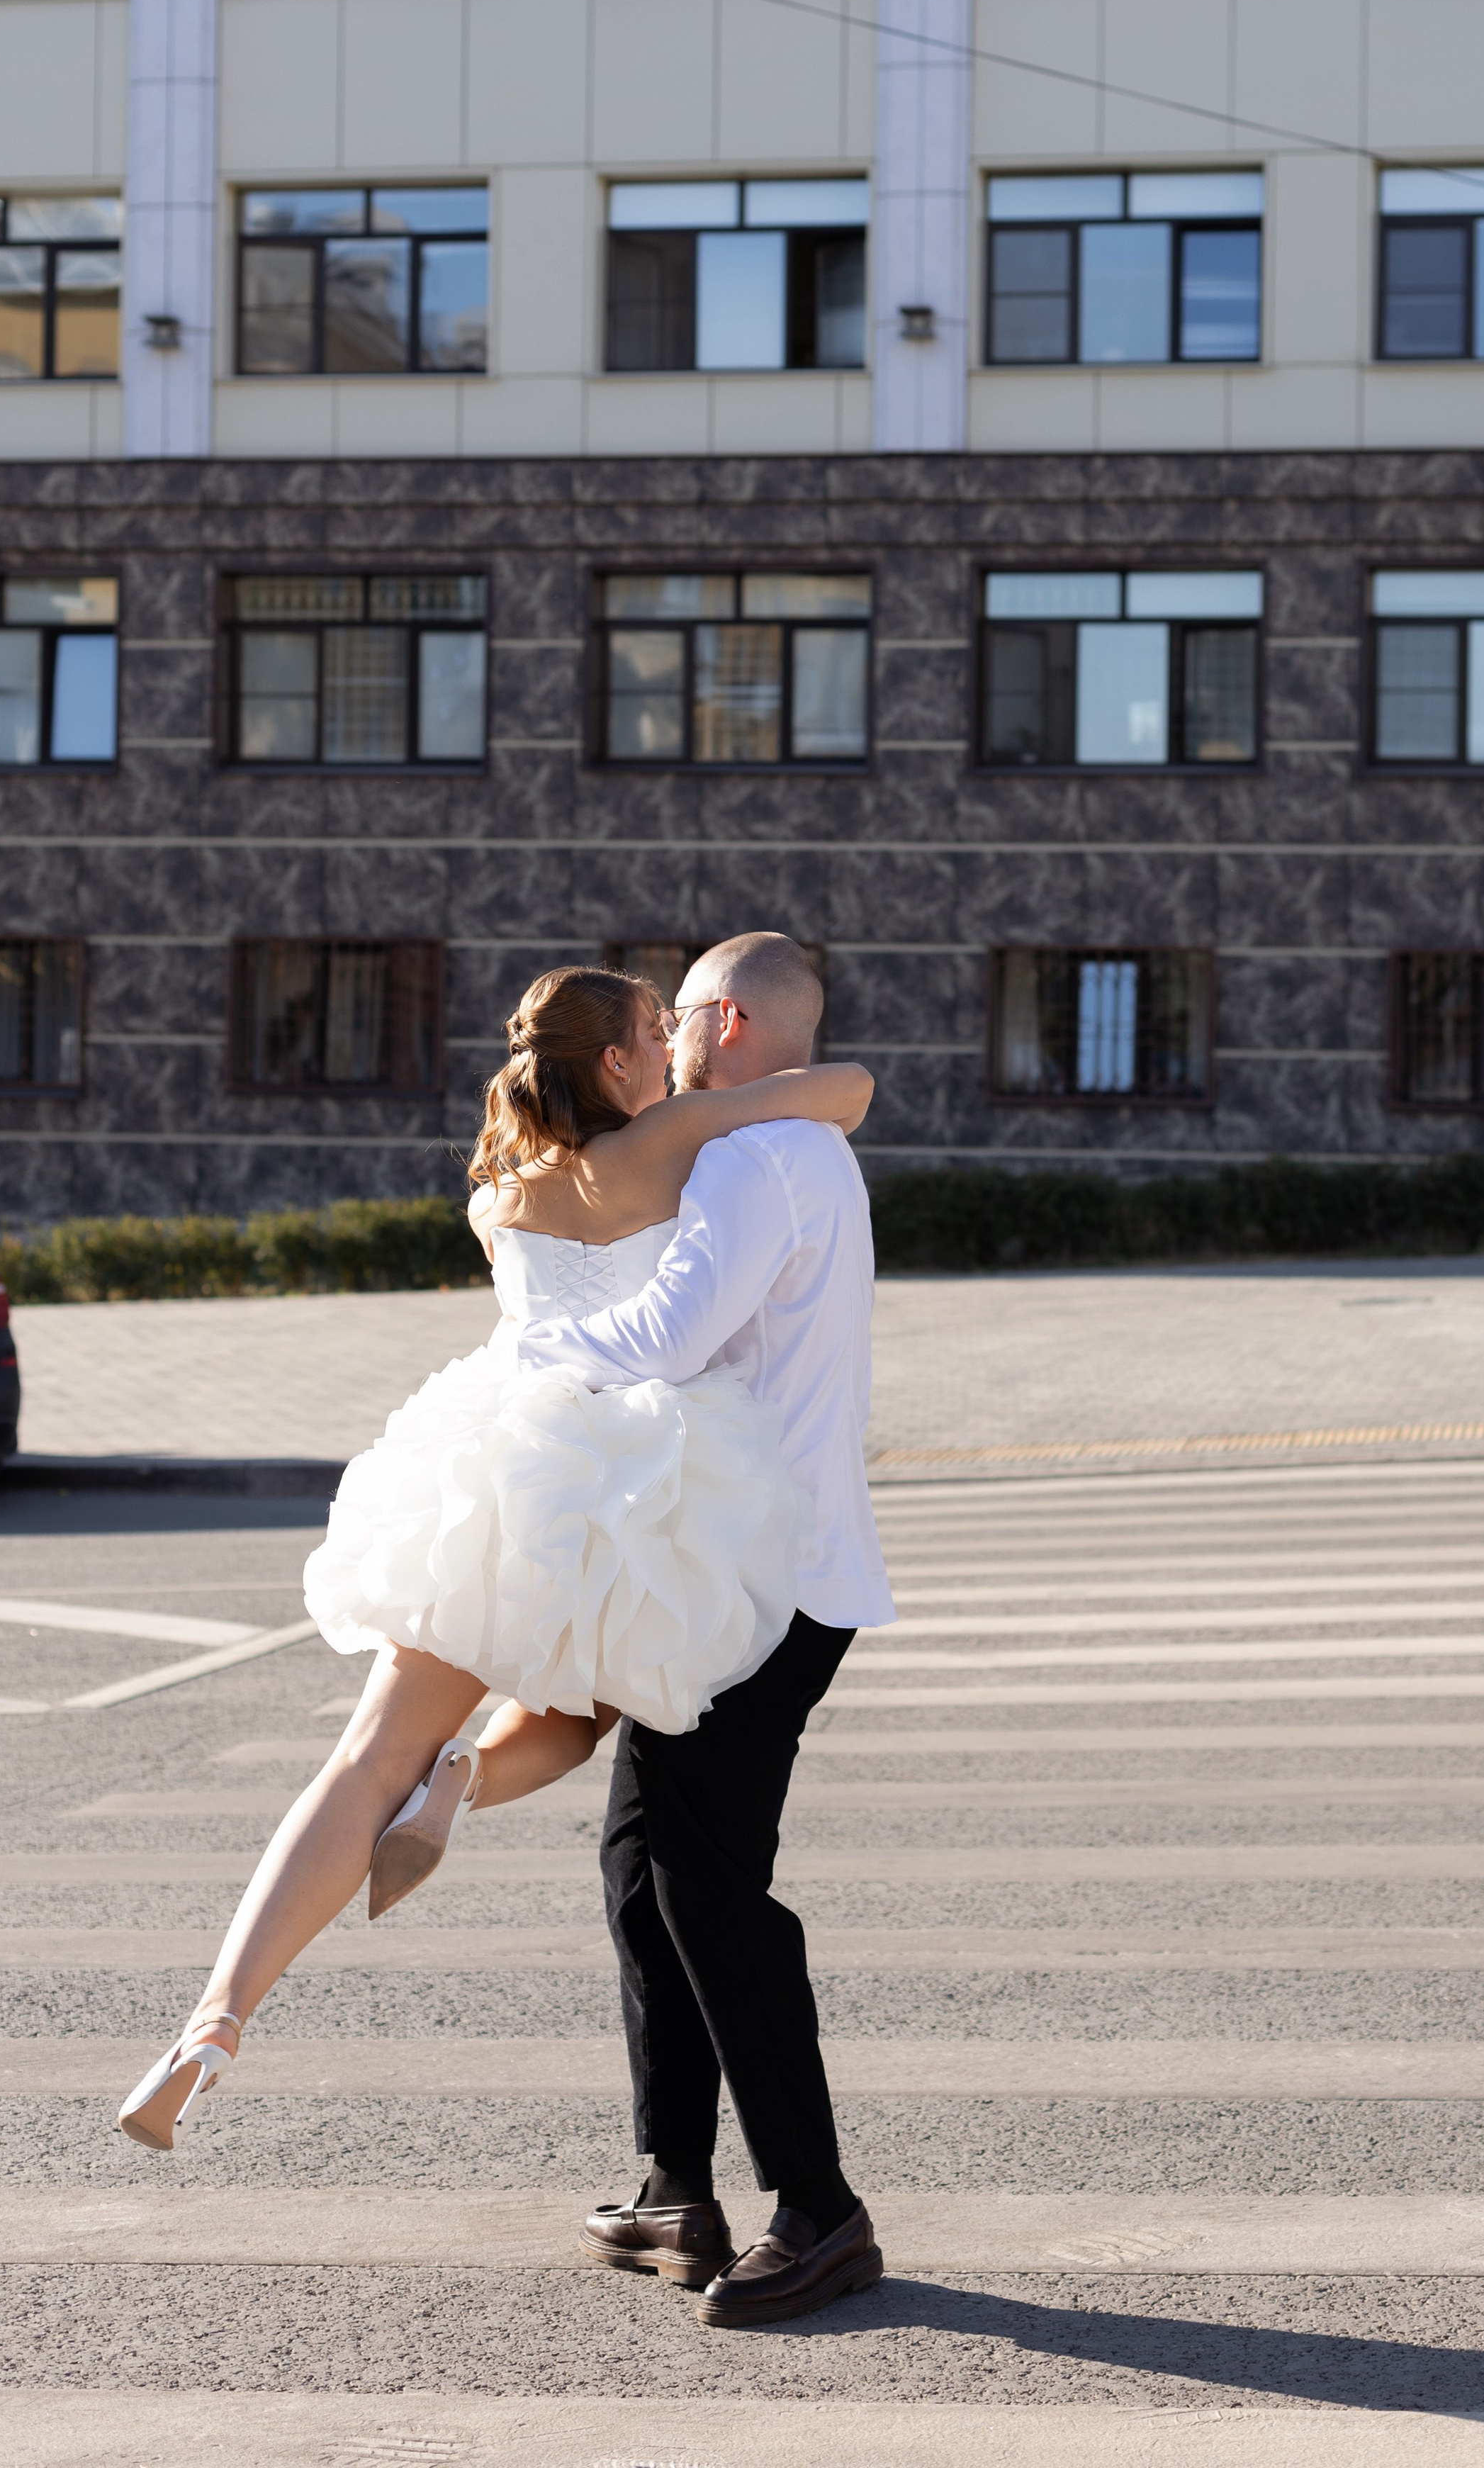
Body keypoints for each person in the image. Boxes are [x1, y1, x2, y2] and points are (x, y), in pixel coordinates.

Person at [117, 961, 873, 2155]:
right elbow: (841, 1087)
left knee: (365, 1756)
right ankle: (461, 1782)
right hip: (641, 1485)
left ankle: (217, 2014)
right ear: (622, 1063)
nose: (672, 1037)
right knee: (587, 1715)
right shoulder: (666, 1147)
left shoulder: (501, 1196)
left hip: (495, 1470)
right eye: (652, 1026)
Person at [513, 932, 895, 2330]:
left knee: (703, 1885)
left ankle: (819, 2208)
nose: (665, 1036)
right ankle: (674, 2178)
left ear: (724, 1021)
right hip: (745, 1569)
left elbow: (669, 1335)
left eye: (679, 1014)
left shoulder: (751, 1159)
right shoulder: (795, 1145)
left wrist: (519, 1364)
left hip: (760, 1580)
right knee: (643, 1864)